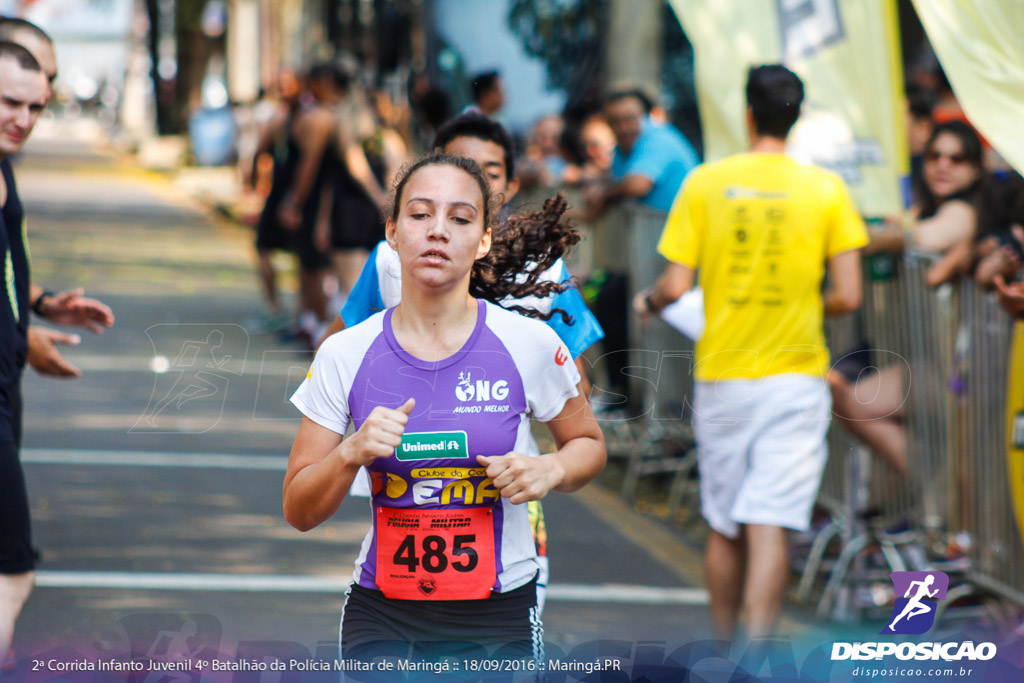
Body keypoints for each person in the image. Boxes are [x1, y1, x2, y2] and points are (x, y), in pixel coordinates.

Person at [285, 153, 606, 662]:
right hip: (383, 613)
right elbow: (298, 509)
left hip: (500, 610)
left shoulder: (529, 343)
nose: (438, 231)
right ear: (391, 231)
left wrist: (553, 467)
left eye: (459, 219)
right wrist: (351, 452)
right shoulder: (345, 353)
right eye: (419, 215)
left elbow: (588, 444)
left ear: (482, 240)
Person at [633, 65, 867, 640]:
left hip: (724, 377)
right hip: (797, 378)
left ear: (747, 112)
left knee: (723, 523)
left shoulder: (707, 183)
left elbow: (674, 287)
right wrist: (808, 304)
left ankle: (720, 649)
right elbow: (850, 294)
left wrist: (648, 300)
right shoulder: (825, 190)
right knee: (771, 525)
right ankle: (756, 657)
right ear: (797, 116)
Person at [0, 40, 114, 669]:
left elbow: (7, 269)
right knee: (12, 574)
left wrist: (37, 310)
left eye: (36, 105)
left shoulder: (4, 163)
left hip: (7, 383)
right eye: (11, 102)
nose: (24, 117)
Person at [585, 89, 699, 217]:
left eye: (629, 119)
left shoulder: (658, 139)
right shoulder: (622, 148)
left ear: (645, 115)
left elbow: (637, 185)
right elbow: (619, 182)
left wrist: (604, 193)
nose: (623, 128)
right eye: (615, 121)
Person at [250, 69, 305, 331]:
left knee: (305, 258)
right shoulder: (279, 117)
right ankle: (276, 308)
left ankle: (302, 315)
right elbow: (262, 153)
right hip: (280, 193)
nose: (283, 89)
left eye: (288, 84)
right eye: (279, 85)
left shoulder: (305, 118)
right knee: (263, 248)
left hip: (298, 196)